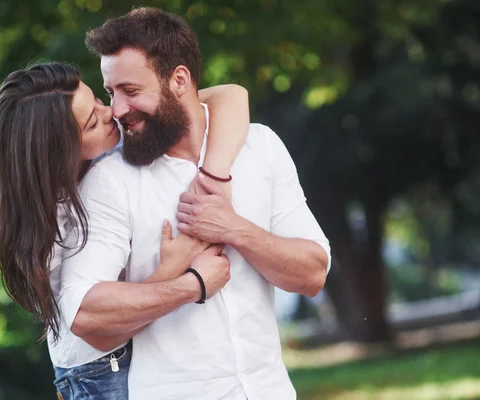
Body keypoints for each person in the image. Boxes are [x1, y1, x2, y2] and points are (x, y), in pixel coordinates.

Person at [60, 7, 331, 400]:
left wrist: (234, 229)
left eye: (130, 91)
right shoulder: (110, 180)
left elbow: (313, 274)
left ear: (179, 80)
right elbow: (84, 311)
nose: (117, 110)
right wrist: (191, 285)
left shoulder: (260, 146)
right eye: (111, 93)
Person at [0, 61, 250, 399]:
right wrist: (180, 276)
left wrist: (214, 177)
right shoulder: (55, 223)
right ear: (57, 152)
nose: (110, 112)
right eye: (92, 121)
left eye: (96, 99)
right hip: (100, 371)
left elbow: (231, 95)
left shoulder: (105, 138)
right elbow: (94, 323)